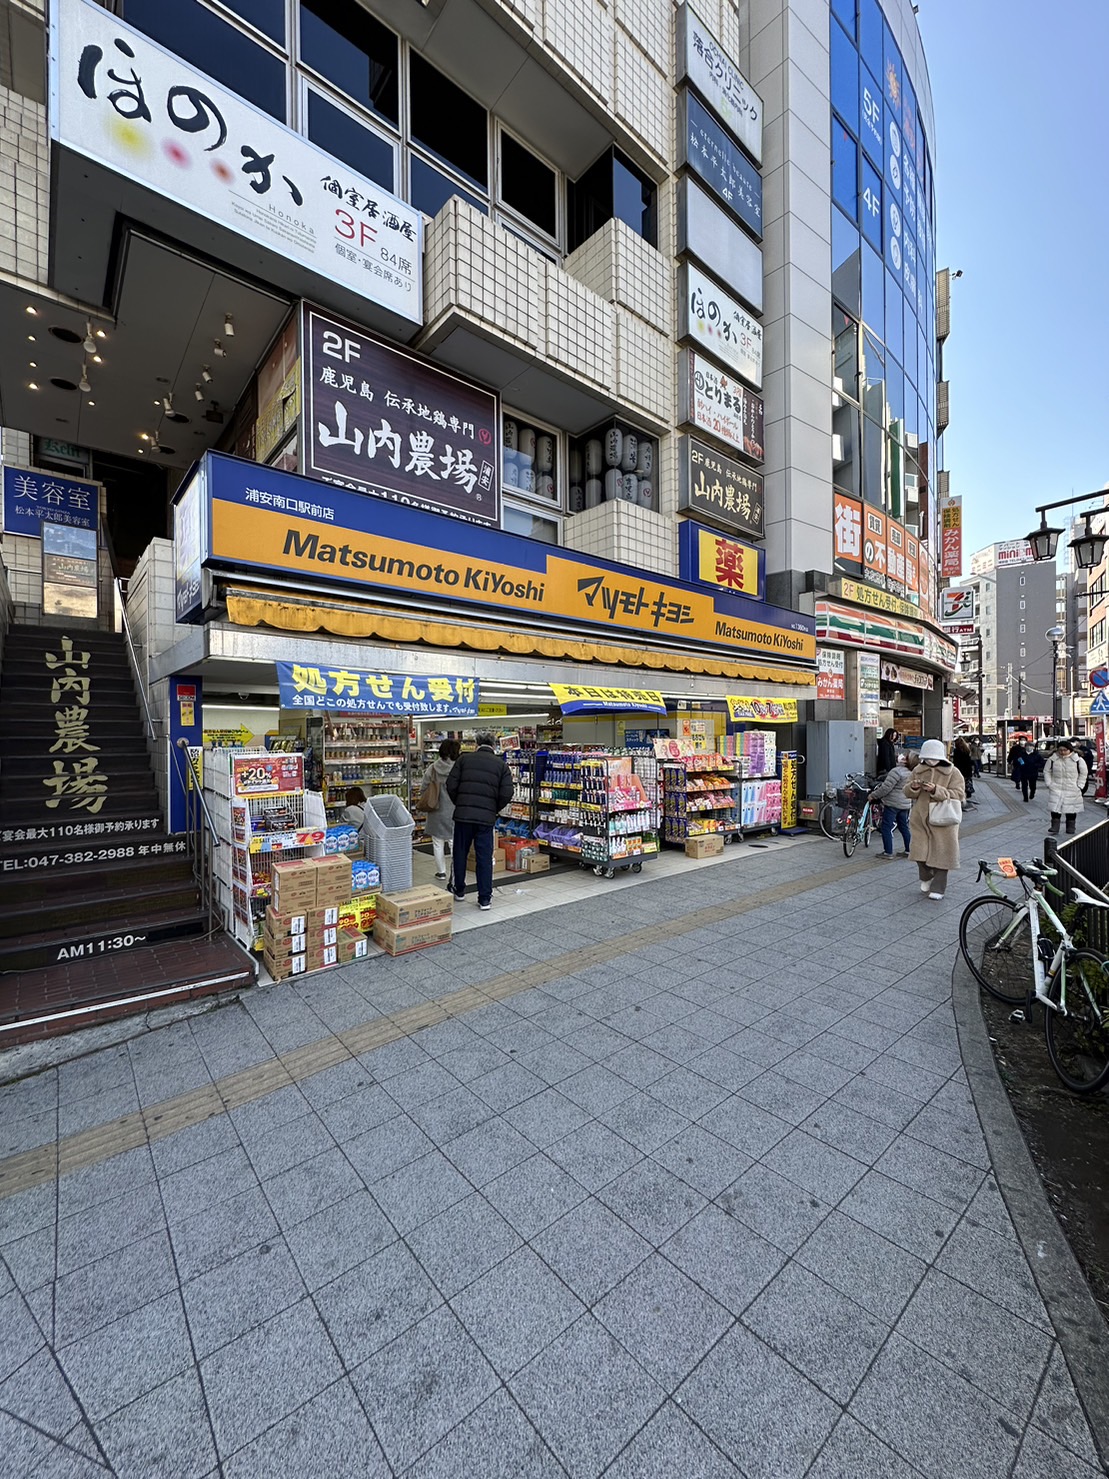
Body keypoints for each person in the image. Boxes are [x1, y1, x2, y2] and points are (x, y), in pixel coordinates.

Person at [446, 732, 514, 910]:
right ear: (494, 745)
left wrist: (460, 802)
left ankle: (459, 890)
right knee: (484, 857)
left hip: (463, 816)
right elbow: (507, 793)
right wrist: (493, 808)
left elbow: (450, 785)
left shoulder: (463, 760)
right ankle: (485, 899)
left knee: (460, 853)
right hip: (486, 820)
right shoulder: (501, 765)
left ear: (476, 743)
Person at [905, 738, 965, 900]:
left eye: (934, 757)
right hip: (920, 818)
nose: (930, 761)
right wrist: (914, 788)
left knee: (942, 855)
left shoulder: (953, 772)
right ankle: (926, 876)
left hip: (944, 820)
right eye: (927, 758)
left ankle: (939, 888)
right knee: (919, 853)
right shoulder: (918, 770)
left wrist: (937, 790)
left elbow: (959, 794)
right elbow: (907, 790)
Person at [420, 738, 461, 878]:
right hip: (455, 810)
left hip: (436, 810)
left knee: (437, 843)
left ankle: (441, 872)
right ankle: (456, 871)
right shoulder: (459, 768)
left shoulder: (432, 768)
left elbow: (423, 788)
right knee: (454, 842)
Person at [869, 752, 916, 858]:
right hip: (905, 804)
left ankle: (888, 852)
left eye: (905, 757)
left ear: (906, 761)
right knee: (904, 827)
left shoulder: (897, 772)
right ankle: (909, 850)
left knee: (886, 827)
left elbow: (886, 788)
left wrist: (873, 795)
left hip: (892, 804)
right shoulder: (913, 773)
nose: (902, 757)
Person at [1044, 738, 1087, 836]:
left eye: (1065, 750)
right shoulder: (1053, 759)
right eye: (1060, 750)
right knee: (1055, 808)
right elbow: (1046, 771)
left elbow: (1084, 773)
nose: (1062, 752)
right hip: (1056, 787)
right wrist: (1049, 783)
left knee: (1071, 809)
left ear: (1070, 750)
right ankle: (1055, 827)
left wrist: (1079, 785)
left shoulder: (1077, 760)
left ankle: (1070, 827)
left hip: (1072, 788)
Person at [951, 736, 976, 807]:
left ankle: (962, 797)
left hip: (960, 770)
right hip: (967, 770)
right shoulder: (966, 750)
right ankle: (966, 795)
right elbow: (969, 761)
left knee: (960, 784)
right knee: (967, 783)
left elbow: (956, 762)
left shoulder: (956, 751)